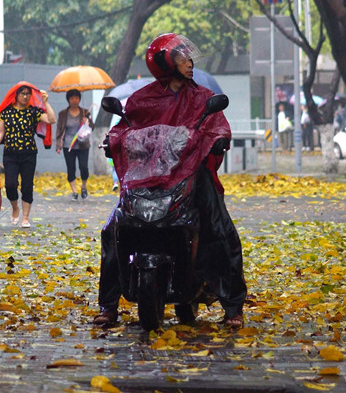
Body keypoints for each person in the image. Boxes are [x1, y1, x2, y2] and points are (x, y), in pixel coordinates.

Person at [94, 33, 247, 328]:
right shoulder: (142, 99)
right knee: (113, 229)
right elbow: (125, 128)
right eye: (183, 58)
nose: (190, 63)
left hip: (192, 174)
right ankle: (108, 305)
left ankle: (233, 307)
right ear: (165, 63)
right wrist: (112, 140)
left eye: (189, 58)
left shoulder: (202, 98)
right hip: (147, 180)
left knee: (219, 228)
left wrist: (218, 141)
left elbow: (218, 127)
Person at [0, 82, 56, 228]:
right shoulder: (6, 112)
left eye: (27, 94)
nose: (25, 96)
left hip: (28, 154)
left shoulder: (34, 112)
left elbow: (51, 120)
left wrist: (46, 102)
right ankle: (15, 208)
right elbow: (0, 132)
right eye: (22, 93)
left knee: (27, 186)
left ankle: (25, 217)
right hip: (10, 154)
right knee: (10, 185)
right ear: (15, 95)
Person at [55, 89, 92, 201]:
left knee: (83, 167)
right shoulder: (63, 114)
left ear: (79, 99)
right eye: (72, 98)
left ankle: (84, 187)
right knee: (71, 168)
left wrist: (87, 121)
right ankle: (74, 192)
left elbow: (92, 127)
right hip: (68, 145)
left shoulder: (85, 112)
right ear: (68, 100)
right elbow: (59, 130)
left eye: (76, 98)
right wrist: (58, 145)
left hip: (82, 144)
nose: (74, 100)